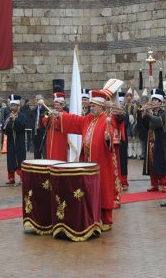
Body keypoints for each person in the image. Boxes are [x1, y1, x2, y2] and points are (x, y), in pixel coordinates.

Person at [52, 80, 124, 231]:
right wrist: (60, 116)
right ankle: (93, 218)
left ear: (101, 106)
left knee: (104, 190)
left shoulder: (106, 119)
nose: (91, 107)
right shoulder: (89, 119)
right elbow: (76, 121)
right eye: (90, 105)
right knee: (91, 192)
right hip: (88, 163)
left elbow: (110, 134)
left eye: (94, 105)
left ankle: (107, 220)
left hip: (102, 162)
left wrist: (107, 138)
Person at [142, 88, 166, 192]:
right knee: (151, 163)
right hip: (150, 140)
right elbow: (145, 126)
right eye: (152, 100)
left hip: (160, 141)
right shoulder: (151, 112)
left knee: (160, 161)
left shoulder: (164, 112)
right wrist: (143, 116)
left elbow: (158, 123)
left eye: (156, 100)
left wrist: (148, 114)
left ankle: (165, 183)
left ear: (161, 102)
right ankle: (154, 184)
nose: (153, 102)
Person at [3, 94, 28, 185]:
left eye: (14, 105)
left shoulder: (22, 115)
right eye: (11, 105)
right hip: (10, 142)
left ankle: (22, 178)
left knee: (20, 159)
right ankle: (11, 178)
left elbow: (23, 126)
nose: (12, 107)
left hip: (19, 141)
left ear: (18, 106)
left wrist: (15, 120)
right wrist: (8, 121)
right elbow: (4, 129)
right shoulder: (8, 116)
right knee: (11, 159)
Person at [41, 92, 69, 162]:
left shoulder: (65, 114)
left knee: (58, 160)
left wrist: (57, 117)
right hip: (50, 141)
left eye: (58, 105)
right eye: (55, 105)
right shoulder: (50, 112)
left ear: (62, 105)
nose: (56, 107)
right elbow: (43, 121)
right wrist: (48, 115)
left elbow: (59, 125)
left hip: (59, 142)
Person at [31, 94, 46, 159]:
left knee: (44, 151)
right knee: (36, 152)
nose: (38, 101)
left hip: (43, 133)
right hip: (36, 133)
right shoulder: (34, 110)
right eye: (37, 100)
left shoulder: (46, 109)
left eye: (39, 99)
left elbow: (47, 120)